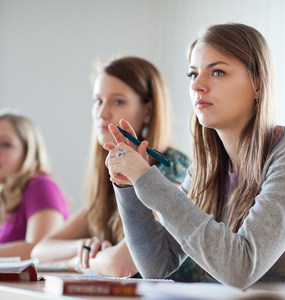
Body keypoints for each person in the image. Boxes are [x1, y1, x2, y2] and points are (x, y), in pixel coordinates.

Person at [103, 23, 285, 289]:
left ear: (258, 85)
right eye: (193, 74)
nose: (197, 85)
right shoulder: (206, 169)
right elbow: (158, 264)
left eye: (217, 72)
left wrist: (148, 180)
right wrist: (128, 185)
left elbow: (241, 268)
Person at [31, 57, 192, 279]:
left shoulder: (171, 170)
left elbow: (119, 264)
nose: (102, 113)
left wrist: (76, 263)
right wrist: (85, 247)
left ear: (148, 111)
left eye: (117, 101)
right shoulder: (114, 169)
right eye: (98, 101)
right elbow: (40, 250)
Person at [0, 110, 69, 259]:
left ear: (28, 151)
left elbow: (42, 250)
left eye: (5, 144)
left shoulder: (40, 186)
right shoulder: (6, 197)